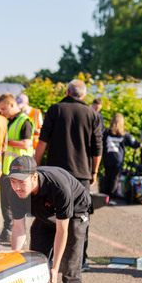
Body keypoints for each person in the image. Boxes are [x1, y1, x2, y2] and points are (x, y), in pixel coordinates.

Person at [7, 156, 90, 283]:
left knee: (70, 267)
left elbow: (62, 231)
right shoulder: (15, 192)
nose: (17, 186)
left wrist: (54, 268)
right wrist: (13, 261)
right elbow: (19, 229)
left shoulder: (57, 186)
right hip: (45, 212)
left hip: (75, 212)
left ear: (34, 178)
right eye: (13, 181)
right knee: (34, 263)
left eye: (21, 182)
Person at [35, 79, 102, 268]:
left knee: (51, 216)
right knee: (81, 218)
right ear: (84, 95)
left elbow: (42, 142)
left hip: (54, 175)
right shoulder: (92, 114)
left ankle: (47, 260)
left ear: (67, 92)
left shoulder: (55, 109)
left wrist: (36, 167)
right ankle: (80, 260)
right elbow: (97, 147)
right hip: (81, 175)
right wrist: (94, 171)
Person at [0, 93, 34, 248]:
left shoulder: (24, 121)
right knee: (5, 202)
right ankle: (7, 229)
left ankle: (16, 233)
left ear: (12, 105)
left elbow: (26, 144)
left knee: (17, 204)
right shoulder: (9, 120)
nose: (2, 111)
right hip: (8, 169)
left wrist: (5, 142)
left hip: (20, 171)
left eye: (4, 108)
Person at [101, 113, 141, 199]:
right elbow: (133, 143)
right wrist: (138, 145)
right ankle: (111, 197)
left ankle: (104, 196)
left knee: (107, 176)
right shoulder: (124, 134)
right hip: (118, 159)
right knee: (115, 178)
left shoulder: (106, 132)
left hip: (108, 158)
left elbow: (101, 143)